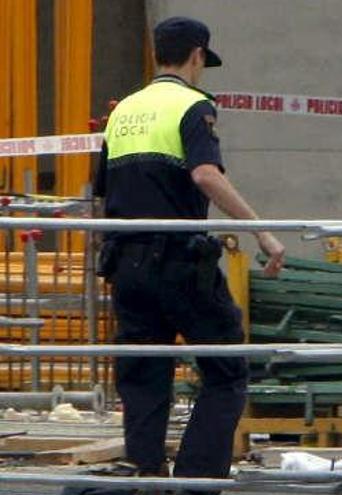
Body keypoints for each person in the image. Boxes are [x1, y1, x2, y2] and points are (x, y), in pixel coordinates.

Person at [90, 16, 285, 494]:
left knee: (143, 370)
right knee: (226, 367)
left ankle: (146, 473)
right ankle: (196, 481)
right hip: (179, 261)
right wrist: (263, 233)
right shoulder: (194, 106)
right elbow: (204, 175)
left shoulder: (124, 111)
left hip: (126, 262)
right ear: (197, 55)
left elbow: (102, 189)